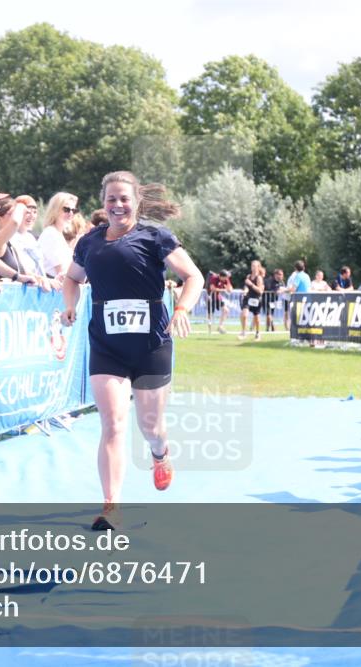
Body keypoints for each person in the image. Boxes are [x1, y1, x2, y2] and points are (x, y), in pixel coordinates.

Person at [60, 171, 202, 530]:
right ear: (103, 201)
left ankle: (160, 453)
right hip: (107, 345)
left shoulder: (156, 237)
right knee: (112, 424)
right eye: (111, 199)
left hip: (151, 344)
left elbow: (193, 277)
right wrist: (70, 304)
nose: (118, 205)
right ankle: (111, 507)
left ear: (136, 201)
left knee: (151, 425)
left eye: (124, 198)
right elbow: (72, 277)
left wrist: (182, 308)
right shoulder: (89, 243)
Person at [0, 197, 52, 288]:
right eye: (12, 214)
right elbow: (14, 223)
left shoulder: (9, 244)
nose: (18, 217)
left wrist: (49, 281)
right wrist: (21, 205)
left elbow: (24, 272)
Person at [39, 191, 78, 278]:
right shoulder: (51, 234)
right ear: (55, 210)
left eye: (74, 210)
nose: (71, 213)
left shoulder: (57, 234)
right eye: (66, 209)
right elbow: (61, 273)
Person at [238, 260, 265, 341]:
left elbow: (260, 291)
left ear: (258, 267)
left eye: (255, 266)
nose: (253, 267)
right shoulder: (248, 276)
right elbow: (246, 287)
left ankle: (257, 333)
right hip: (248, 298)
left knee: (256, 317)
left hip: (256, 299)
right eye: (252, 266)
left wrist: (251, 284)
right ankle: (243, 332)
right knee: (244, 315)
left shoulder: (259, 278)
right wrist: (245, 291)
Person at [206, 269, 232, 334]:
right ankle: (209, 330)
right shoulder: (214, 278)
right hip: (210, 297)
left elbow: (230, 288)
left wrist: (229, 289)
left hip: (217, 297)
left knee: (226, 310)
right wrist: (223, 290)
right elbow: (212, 288)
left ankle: (220, 326)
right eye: (225, 278)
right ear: (220, 276)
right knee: (210, 314)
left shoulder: (226, 278)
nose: (226, 279)